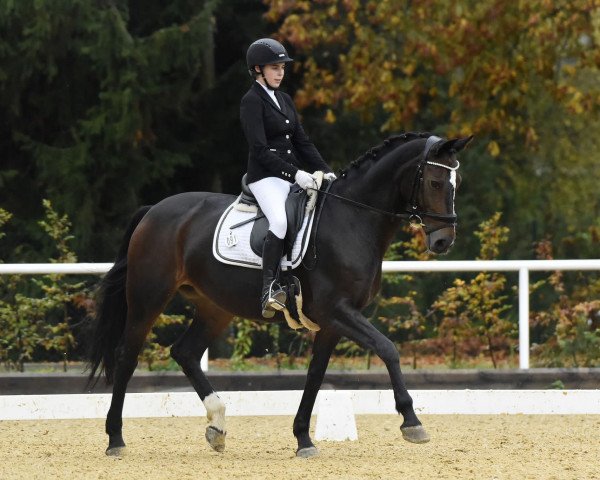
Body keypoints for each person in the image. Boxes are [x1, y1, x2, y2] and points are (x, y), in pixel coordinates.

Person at [240, 38, 336, 318]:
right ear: (258, 69)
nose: (280, 73)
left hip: (290, 175)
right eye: (274, 67)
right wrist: (295, 173)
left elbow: (302, 142)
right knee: (280, 220)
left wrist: (325, 170)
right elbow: (258, 150)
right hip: (265, 177)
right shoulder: (251, 101)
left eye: (282, 67)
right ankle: (269, 288)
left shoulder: (283, 99)